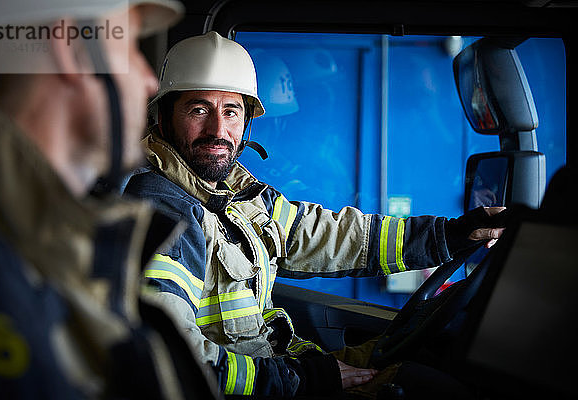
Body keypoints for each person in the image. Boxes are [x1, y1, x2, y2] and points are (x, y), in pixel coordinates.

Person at [124, 31, 505, 398]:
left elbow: (331, 236)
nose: (218, 130)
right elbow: (169, 354)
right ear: (163, 119)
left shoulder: (234, 194)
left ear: (247, 122)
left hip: (283, 367)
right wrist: (302, 380)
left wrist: (448, 236)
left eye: (232, 111)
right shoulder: (163, 208)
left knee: (420, 366)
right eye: (198, 109)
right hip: (262, 385)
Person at [0, 1, 219, 398]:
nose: (147, 82)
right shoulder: (0, 273)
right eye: (131, 50)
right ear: (70, 45)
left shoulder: (38, 247)